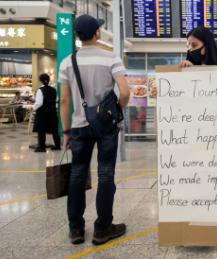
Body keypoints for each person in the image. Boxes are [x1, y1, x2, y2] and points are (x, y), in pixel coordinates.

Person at [59, 15, 130, 245]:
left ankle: (76, 229)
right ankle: (102, 229)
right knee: (106, 174)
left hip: (79, 127)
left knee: (77, 175)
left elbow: (65, 101)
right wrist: (114, 111)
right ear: (97, 33)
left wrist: (66, 131)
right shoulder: (111, 58)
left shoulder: (68, 62)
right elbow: (125, 92)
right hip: (106, 127)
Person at [33, 74, 60, 152]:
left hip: (43, 113)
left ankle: (42, 147)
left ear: (40, 81)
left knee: (41, 130)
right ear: (49, 80)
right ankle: (57, 146)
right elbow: (57, 100)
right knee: (55, 130)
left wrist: (33, 108)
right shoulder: (54, 89)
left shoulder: (40, 90)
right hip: (53, 112)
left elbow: (39, 103)